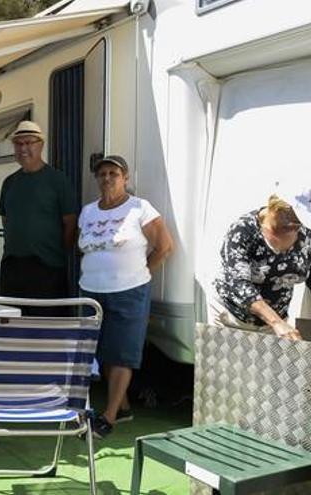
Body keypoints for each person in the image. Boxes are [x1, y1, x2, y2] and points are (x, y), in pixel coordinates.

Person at [77, 154, 173, 438]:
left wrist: (140, 275)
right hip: (92, 291)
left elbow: (165, 247)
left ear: (125, 178)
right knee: (103, 350)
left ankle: (108, 416)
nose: (107, 178)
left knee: (121, 354)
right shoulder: (88, 211)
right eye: (102, 174)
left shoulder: (140, 208)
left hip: (128, 292)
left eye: (113, 174)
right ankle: (123, 406)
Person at [210, 184, 311, 340]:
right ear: (277, 207)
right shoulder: (243, 231)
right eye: (294, 219)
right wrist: (276, 322)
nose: (297, 227)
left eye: (301, 222)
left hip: (274, 325)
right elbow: (239, 284)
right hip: (232, 320)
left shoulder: (304, 233)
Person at [0, 121, 78, 306]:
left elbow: (71, 223)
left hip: (47, 267)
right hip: (12, 266)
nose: (23, 148)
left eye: (29, 142)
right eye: (18, 144)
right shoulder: (9, 182)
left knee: (45, 326)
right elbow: (6, 220)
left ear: (40, 145)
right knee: (12, 322)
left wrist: (55, 254)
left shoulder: (58, 180)